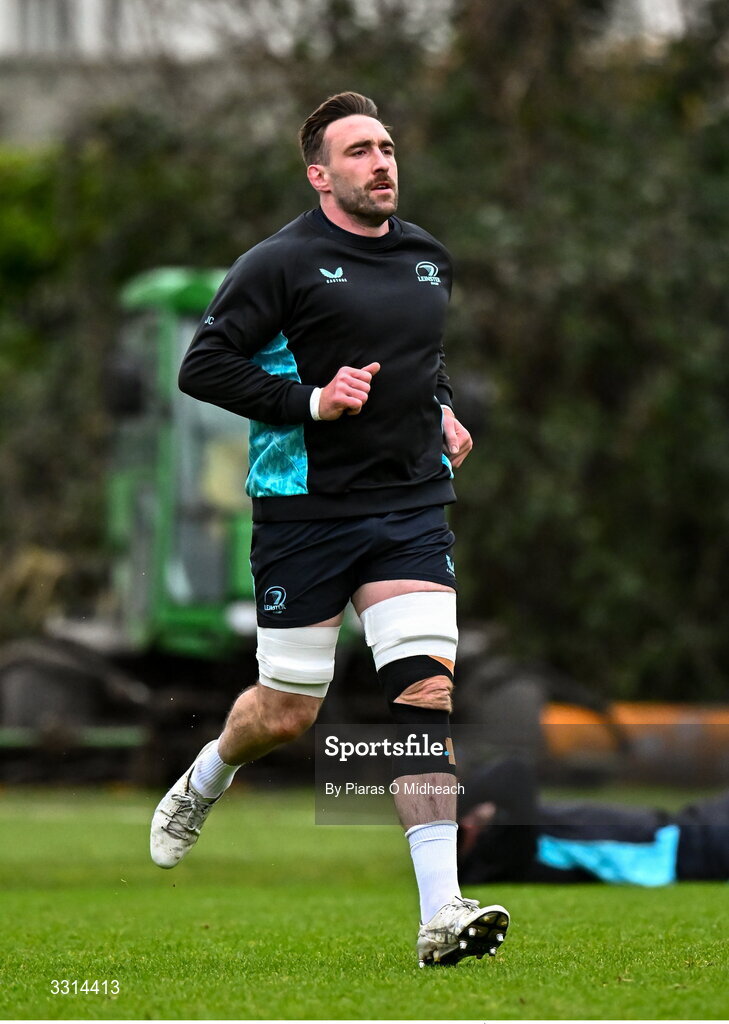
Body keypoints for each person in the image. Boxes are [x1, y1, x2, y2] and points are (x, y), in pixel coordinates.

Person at [149, 91, 509, 967]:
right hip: (304, 515)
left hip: (410, 509)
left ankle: (440, 913)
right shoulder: (279, 263)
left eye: (387, 146)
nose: (381, 161)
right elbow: (204, 366)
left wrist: (443, 408)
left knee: (422, 697)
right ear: (319, 175)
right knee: (284, 714)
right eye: (358, 151)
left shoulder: (427, 257)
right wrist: (312, 401)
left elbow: (420, 354)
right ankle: (207, 776)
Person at [458, 757, 729, 886]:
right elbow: (514, 771)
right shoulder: (504, 852)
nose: (469, 823)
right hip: (682, 848)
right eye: (459, 830)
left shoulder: (501, 838)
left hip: (681, 827)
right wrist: (461, 807)